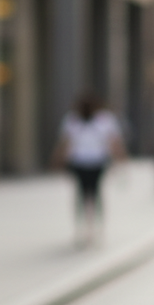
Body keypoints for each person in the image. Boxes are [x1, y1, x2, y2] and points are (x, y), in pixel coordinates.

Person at [52, 93, 126, 247]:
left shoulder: (104, 120)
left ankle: (96, 226)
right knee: (81, 193)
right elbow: (65, 141)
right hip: (79, 162)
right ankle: (82, 226)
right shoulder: (72, 120)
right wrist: (58, 159)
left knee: (95, 192)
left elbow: (113, 141)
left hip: (97, 162)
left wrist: (120, 158)